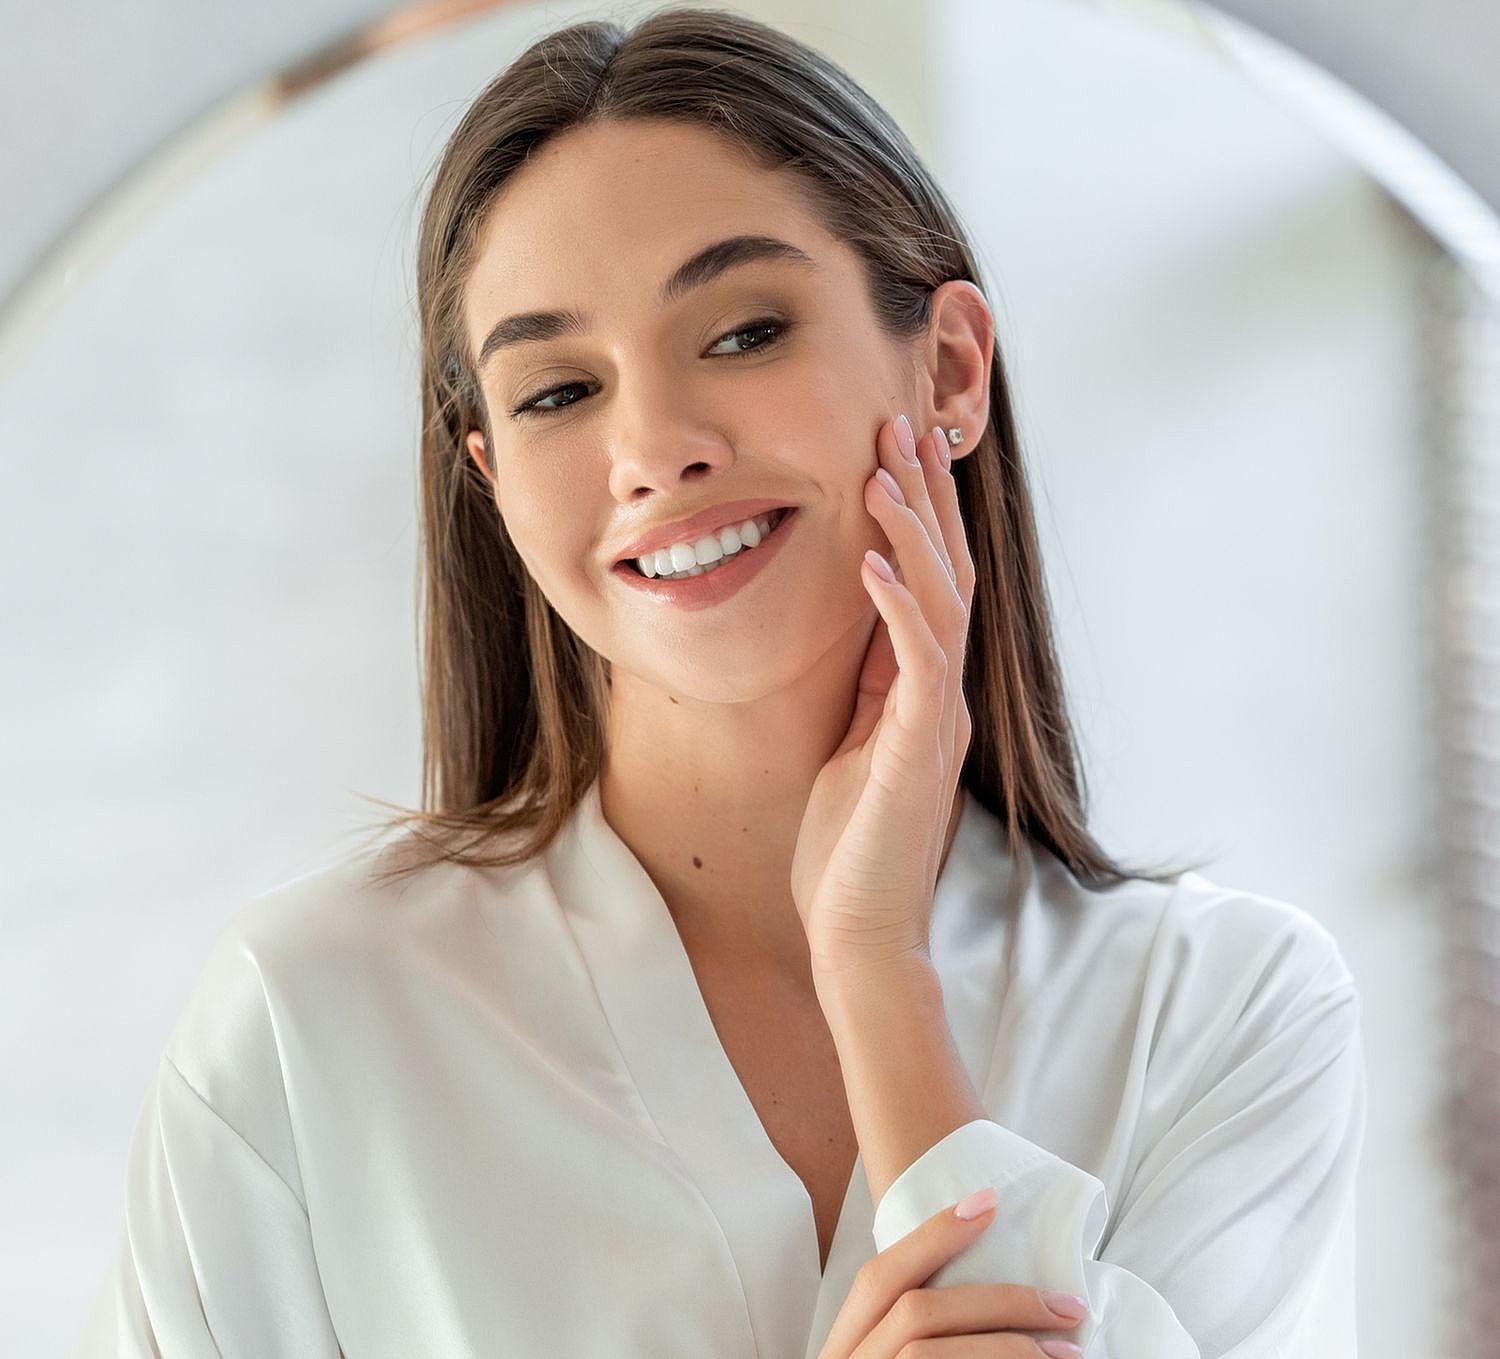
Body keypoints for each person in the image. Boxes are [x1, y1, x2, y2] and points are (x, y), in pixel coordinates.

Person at [75, 7, 1365, 1357]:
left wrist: (877, 971)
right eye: (559, 391)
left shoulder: (1222, 1016)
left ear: (950, 368)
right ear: (494, 486)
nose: (656, 447)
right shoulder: (312, 1024)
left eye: (743, 332)